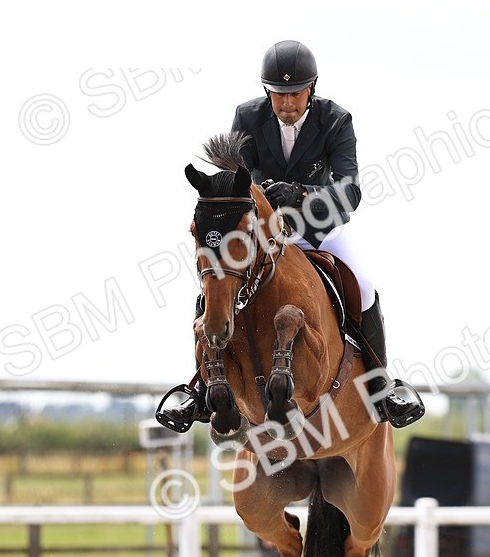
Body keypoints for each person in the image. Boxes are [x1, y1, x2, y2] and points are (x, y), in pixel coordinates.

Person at [157, 39, 424, 432]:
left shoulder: (336, 120)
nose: (286, 103)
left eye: (295, 93)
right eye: (279, 94)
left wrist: (302, 194)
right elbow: (237, 181)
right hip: (263, 232)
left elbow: (350, 192)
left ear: (311, 89)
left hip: (317, 230)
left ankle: (381, 386)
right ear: (268, 91)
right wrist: (266, 192)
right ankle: (201, 391)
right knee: (213, 287)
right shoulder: (247, 117)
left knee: (364, 287)